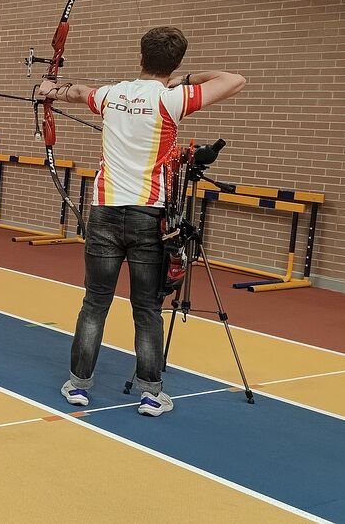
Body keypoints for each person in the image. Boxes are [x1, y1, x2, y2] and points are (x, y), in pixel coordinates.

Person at [39, 26, 246, 417]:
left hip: (104, 212)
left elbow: (81, 92)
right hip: (148, 217)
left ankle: (78, 385)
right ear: (175, 64)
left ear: (140, 57)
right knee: (147, 308)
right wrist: (184, 77)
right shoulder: (173, 99)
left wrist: (51, 90)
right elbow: (235, 80)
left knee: (95, 302)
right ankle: (151, 394)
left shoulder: (113, 94)